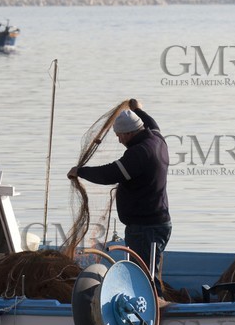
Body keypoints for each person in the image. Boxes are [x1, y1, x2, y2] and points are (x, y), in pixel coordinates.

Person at [69, 98, 171, 272]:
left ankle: (157, 299)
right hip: (155, 224)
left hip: (146, 229)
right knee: (146, 274)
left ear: (129, 133)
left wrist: (80, 172)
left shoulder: (139, 154)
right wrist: (137, 110)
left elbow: (109, 174)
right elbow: (151, 122)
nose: (119, 141)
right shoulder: (157, 139)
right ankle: (156, 297)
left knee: (144, 277)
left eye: (119, 136)